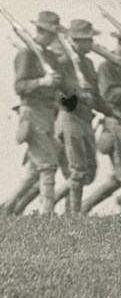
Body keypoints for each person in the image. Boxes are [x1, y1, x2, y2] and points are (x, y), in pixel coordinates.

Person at [5, 11, 64, 214]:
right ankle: (47, 213)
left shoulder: (48, 56)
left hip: (48, 113)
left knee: (33, 170)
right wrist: (42, 82)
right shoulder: (27, 54)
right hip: (32, 112)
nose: (54, 38)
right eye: (50, 34)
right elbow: (20, 86)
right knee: (47, 165)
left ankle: (7, 208)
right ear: (41, 32)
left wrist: (55, 84)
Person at [83, 23, 121, 213]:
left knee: (118, 177)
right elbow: (109, 95)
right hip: (117, 122)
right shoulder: (107, 66)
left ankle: (81, 209)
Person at [56, 19, 112, 213]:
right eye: (86, 40)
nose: (90, 44)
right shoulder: (63, 62)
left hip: (86, 120)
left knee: (89, 172)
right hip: (71, 119)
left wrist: (113, 112)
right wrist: (79, 95)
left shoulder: (87, 63)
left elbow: (95, 96)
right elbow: (59, 98)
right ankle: (73, 214)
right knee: (78, 171)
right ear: (75, 41)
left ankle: (67, 207)